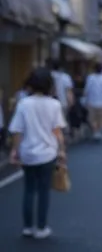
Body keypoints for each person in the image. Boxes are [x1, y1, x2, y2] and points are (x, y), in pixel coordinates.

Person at [8, 67, 66, 239]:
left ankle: (27, 227)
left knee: (29, 189)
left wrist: (15, 151)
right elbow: (57, 131)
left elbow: (17, 130)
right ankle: (41, 227)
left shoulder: (24, 104)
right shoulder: (54, 104)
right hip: (48, 153)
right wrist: (62, 150)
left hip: (28, 153)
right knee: (43, 191)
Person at [83, 63, 102, 140]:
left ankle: (95, 131)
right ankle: (97, 131)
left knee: (92, 119)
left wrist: (85, 99)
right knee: (100, 119)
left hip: (92, 101)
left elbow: (87, 90)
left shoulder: (90, 78)